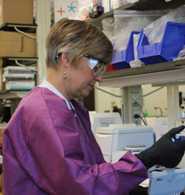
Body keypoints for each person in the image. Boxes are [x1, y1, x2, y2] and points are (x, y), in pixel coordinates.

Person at [3, 18, 185, 195]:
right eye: (96, 66)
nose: (99, 77)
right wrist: (147, 159)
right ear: (66, 59)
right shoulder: (43, 112)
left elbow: (92, 170)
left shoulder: (70, 107)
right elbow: (79, 185)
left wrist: (129, 187)